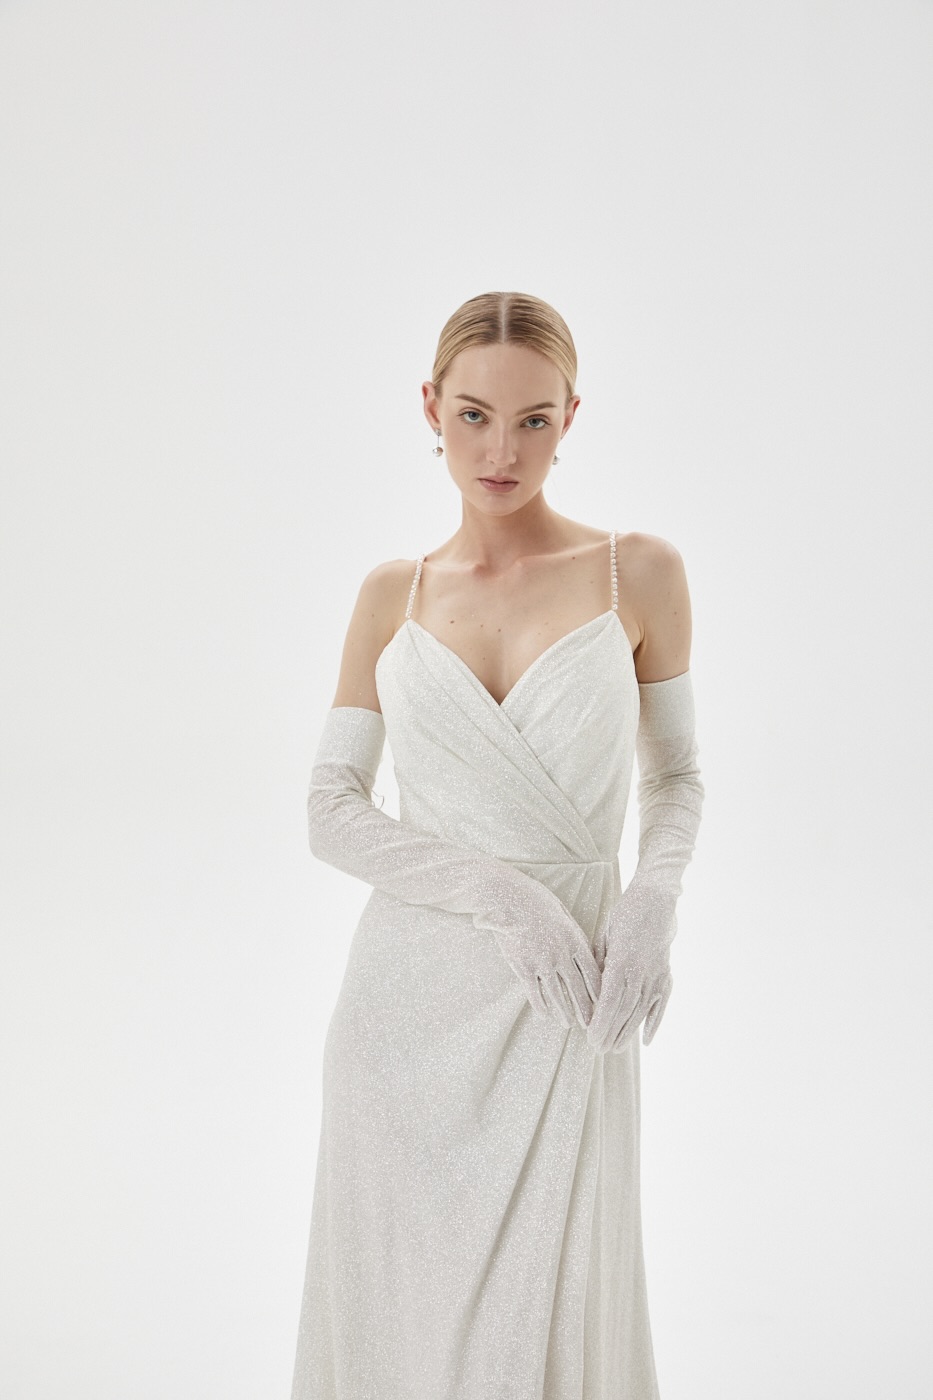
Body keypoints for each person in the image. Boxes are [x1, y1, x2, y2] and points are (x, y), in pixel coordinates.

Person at [290, 291, 704, 1400]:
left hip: (573, 993)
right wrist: (496, 892)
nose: (501, 452)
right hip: (403, 1010)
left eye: (533, 420)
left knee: (545, 1320)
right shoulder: (393, 594)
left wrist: (653, 897)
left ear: (572, 417)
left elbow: (676, 777)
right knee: (401, 1317)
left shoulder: (637, 571)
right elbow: (330, 805)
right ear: (431, 407)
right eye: (473, 416)